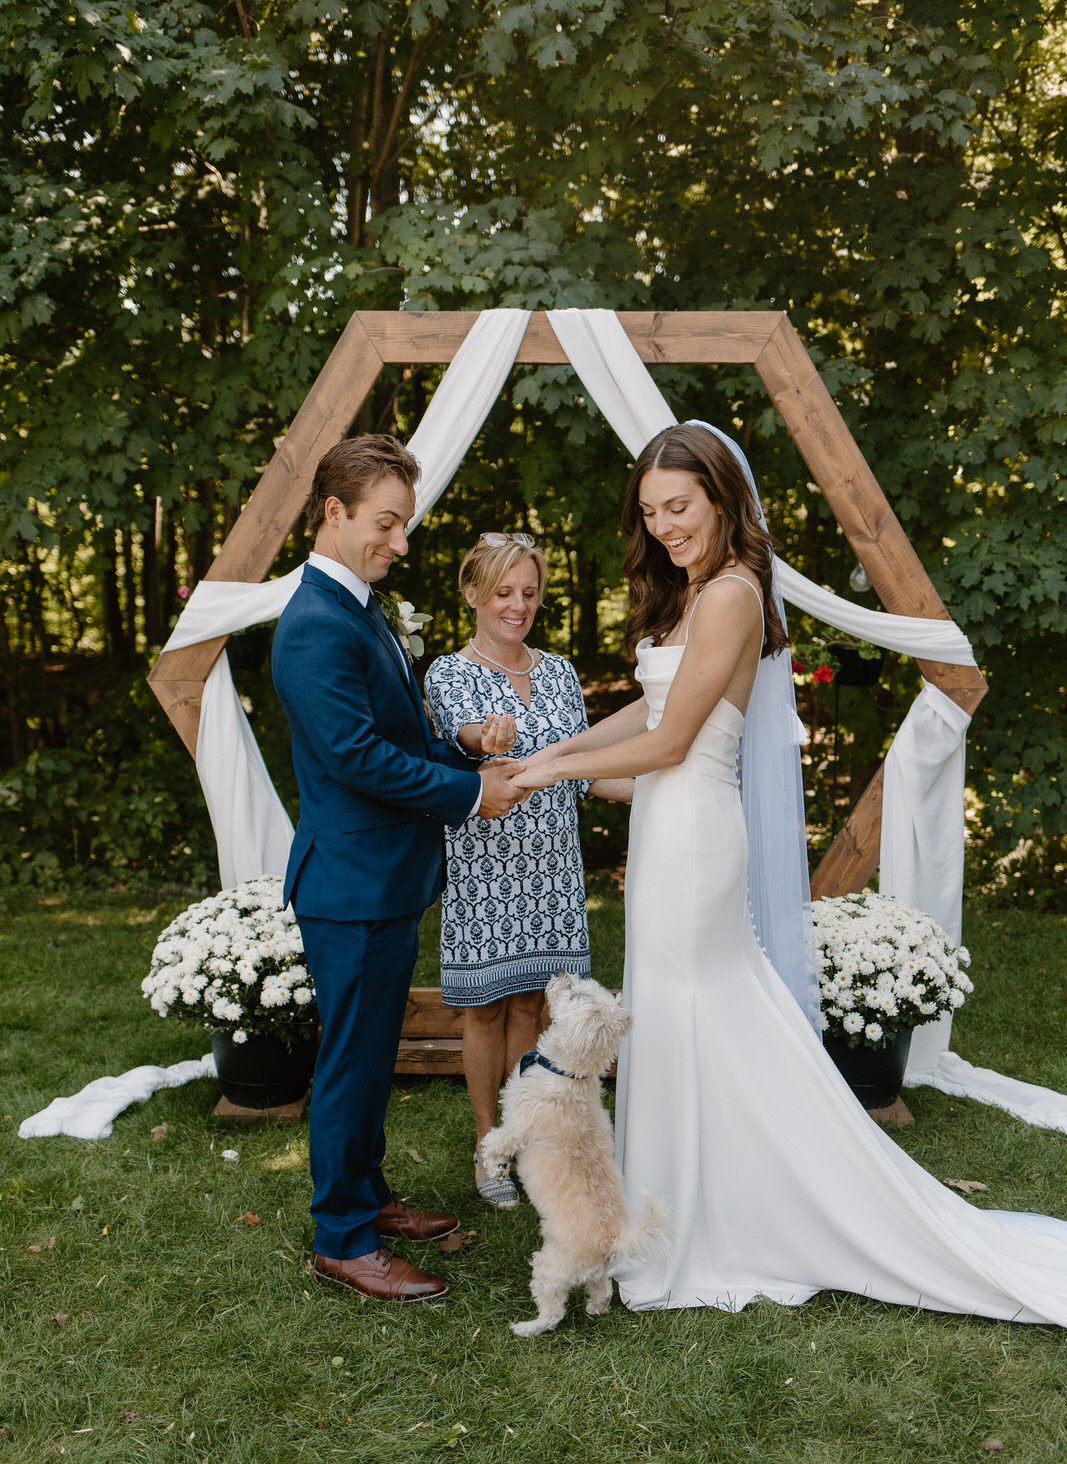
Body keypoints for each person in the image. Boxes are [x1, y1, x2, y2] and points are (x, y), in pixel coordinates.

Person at [514, 421, 1067, 1324]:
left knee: (700, 1009)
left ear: (723, 499)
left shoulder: (731, 592)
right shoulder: (695, 595)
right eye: (651, 511)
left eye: (680, 506)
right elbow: (639, 712)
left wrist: (539, 771)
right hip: (669, 822)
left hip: (693, 833)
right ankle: (682, 1206)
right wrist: (548, 751)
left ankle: (710, 1218)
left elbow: (670, 740)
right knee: (681, 1012)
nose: (664, 526)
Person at [272, 435, 524, 1304]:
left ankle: (367, 1196)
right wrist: (468, 793)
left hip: (381, 877)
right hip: (348, 884)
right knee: (348, 1060)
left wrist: (458, 744)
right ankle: (341, 1236)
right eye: (387, 523)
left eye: (405, 525)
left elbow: (395, 730)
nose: (401, 543)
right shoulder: (312, 625)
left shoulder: (361, 607)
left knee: (371, 1052)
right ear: (333, 513)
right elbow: (352, 757)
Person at [424, 532, 632, 1208]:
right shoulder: (448, 674)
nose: (517, 605)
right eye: (503, 592)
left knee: (528, 1006)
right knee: (484, 1010)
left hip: (552, 870)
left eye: (528, 593)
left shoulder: (562, 673)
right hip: (485, 867)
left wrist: (667, 787)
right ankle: (488, 1149)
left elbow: (580, 771)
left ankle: (523, 1136)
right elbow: (465, 740)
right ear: (473, 594)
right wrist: (484, 740)